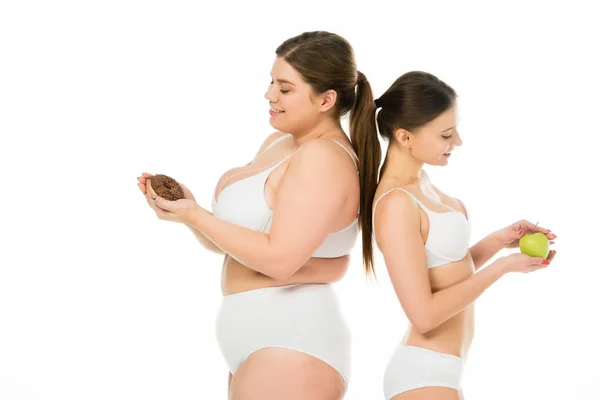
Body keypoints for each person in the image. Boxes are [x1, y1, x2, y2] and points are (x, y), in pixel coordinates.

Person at [137, 31, 375, 399]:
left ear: (326, 99)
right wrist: (189, 213)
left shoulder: (323, 158)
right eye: (271, 83)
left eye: (285, 88)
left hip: (292, 341)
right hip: (261, 342)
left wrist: (198, 216)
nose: (269, 95)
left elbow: (280, 260)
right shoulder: (281, 142)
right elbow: (242, 244)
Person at [351, 70, 557, 399]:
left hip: (444, 372)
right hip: (423, 375)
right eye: (447, 134)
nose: (458, 142)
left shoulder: (422, 185)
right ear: (405, 137)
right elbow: (424, 315)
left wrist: (498, 242)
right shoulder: (395, 204)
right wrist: (502, 268)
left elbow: (446, 274)